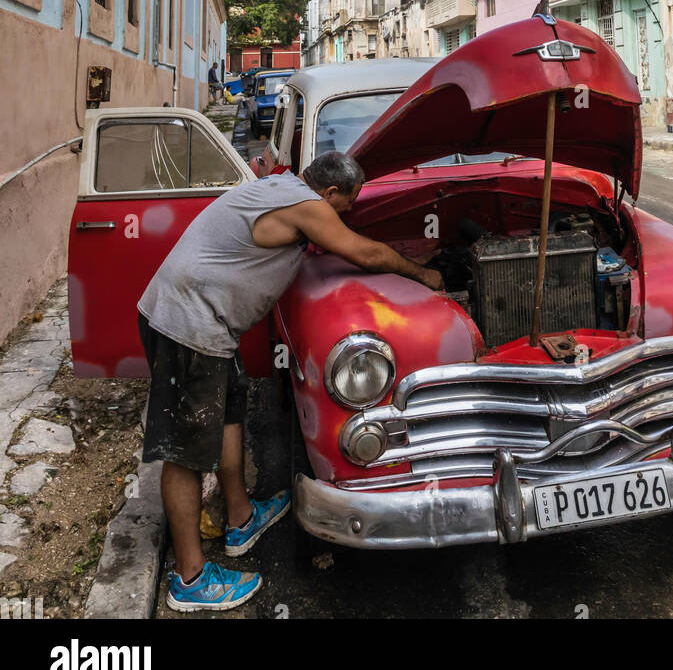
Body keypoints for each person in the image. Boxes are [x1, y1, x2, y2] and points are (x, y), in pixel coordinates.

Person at [137, 151, 444, 611]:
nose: (342, 217)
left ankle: (240, 518)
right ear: (330, 193)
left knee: (229, 414)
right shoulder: (306, 205)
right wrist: (424, 275)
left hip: (210, 325)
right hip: (187, 326)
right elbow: (364, 252)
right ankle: (190, 578)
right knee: (185, 452)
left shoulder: (281, 187)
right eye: (344, 208)